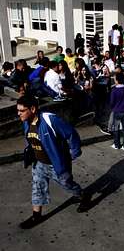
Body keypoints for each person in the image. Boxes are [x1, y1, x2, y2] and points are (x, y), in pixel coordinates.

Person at [17, 95, 88, 229]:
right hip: (38, 164)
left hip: (56, 164)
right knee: (37, 189)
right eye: (18, 110)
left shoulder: (50, 119)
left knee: (67, 184)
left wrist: (74, 152)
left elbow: (71, 133)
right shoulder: (26, 121)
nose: (18, 113)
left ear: (32, 109)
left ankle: (82, 195)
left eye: (21, 110)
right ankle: (36, 216)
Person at [110, 73, 124, 151]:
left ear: (117, 80)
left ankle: (117, 145)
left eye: (115, 79)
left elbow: (111, 102)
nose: (114, 80)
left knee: (116, 129)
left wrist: (112, 108)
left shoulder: (114, 90)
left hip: (117, 111)